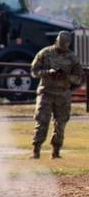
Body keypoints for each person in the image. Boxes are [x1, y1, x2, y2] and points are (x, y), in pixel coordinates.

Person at [29, 30, 84, 159]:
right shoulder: (44, 53)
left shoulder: (72, 58)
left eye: (65, 45)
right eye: (61, 44)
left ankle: (55, 152)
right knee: (42, 121)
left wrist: (66, 76)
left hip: (62, 95)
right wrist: (48, 72)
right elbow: (34, 71)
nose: (62, 47)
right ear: (56, 41)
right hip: (46, 93)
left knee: (60, 124)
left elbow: (78, 78)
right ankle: (36, 150)